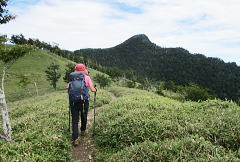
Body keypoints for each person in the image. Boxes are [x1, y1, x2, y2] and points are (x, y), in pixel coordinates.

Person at [67, 64, 97, 146]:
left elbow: (68, 88)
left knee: (75, 119)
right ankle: (83, 131)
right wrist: (95, 89)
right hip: (84, 101)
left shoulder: (72, 77)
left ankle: (75, 138)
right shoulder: (87, 77)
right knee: (84, 115)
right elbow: (92, 89)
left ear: (75, 69)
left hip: (73, 101)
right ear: (84, 70)